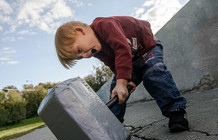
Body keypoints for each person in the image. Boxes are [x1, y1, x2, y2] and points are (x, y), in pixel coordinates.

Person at [55, 16, 189, 132]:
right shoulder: (96, 50)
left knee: (153, 70)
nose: (84, 56)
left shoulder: (104, 25)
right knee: (116, 89)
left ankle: (176, 111)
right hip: (131, 58)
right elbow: (113, 64)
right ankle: (113, 126)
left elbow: (122, 49)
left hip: (147, 47)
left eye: (79, 49)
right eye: (79, 57)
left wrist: (122, 82)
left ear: (80, 30)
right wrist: (123, 82)